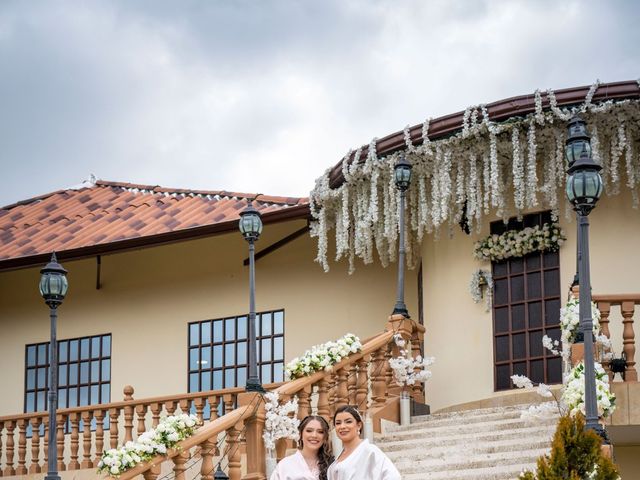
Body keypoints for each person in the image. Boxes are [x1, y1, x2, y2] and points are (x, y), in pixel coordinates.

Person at [327, 405, 401, 480]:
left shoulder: (369, 451)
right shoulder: (340, 455)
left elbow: (393, 476)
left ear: (359, 425)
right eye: (338, 423)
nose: (342, 426)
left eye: (348, 422)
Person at [270, 415, 334, 480]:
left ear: (325, 437)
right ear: (300, 434)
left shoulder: (332, 465)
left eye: (320, 432)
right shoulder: (284, 465)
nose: (314, 435)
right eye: (309, 431)